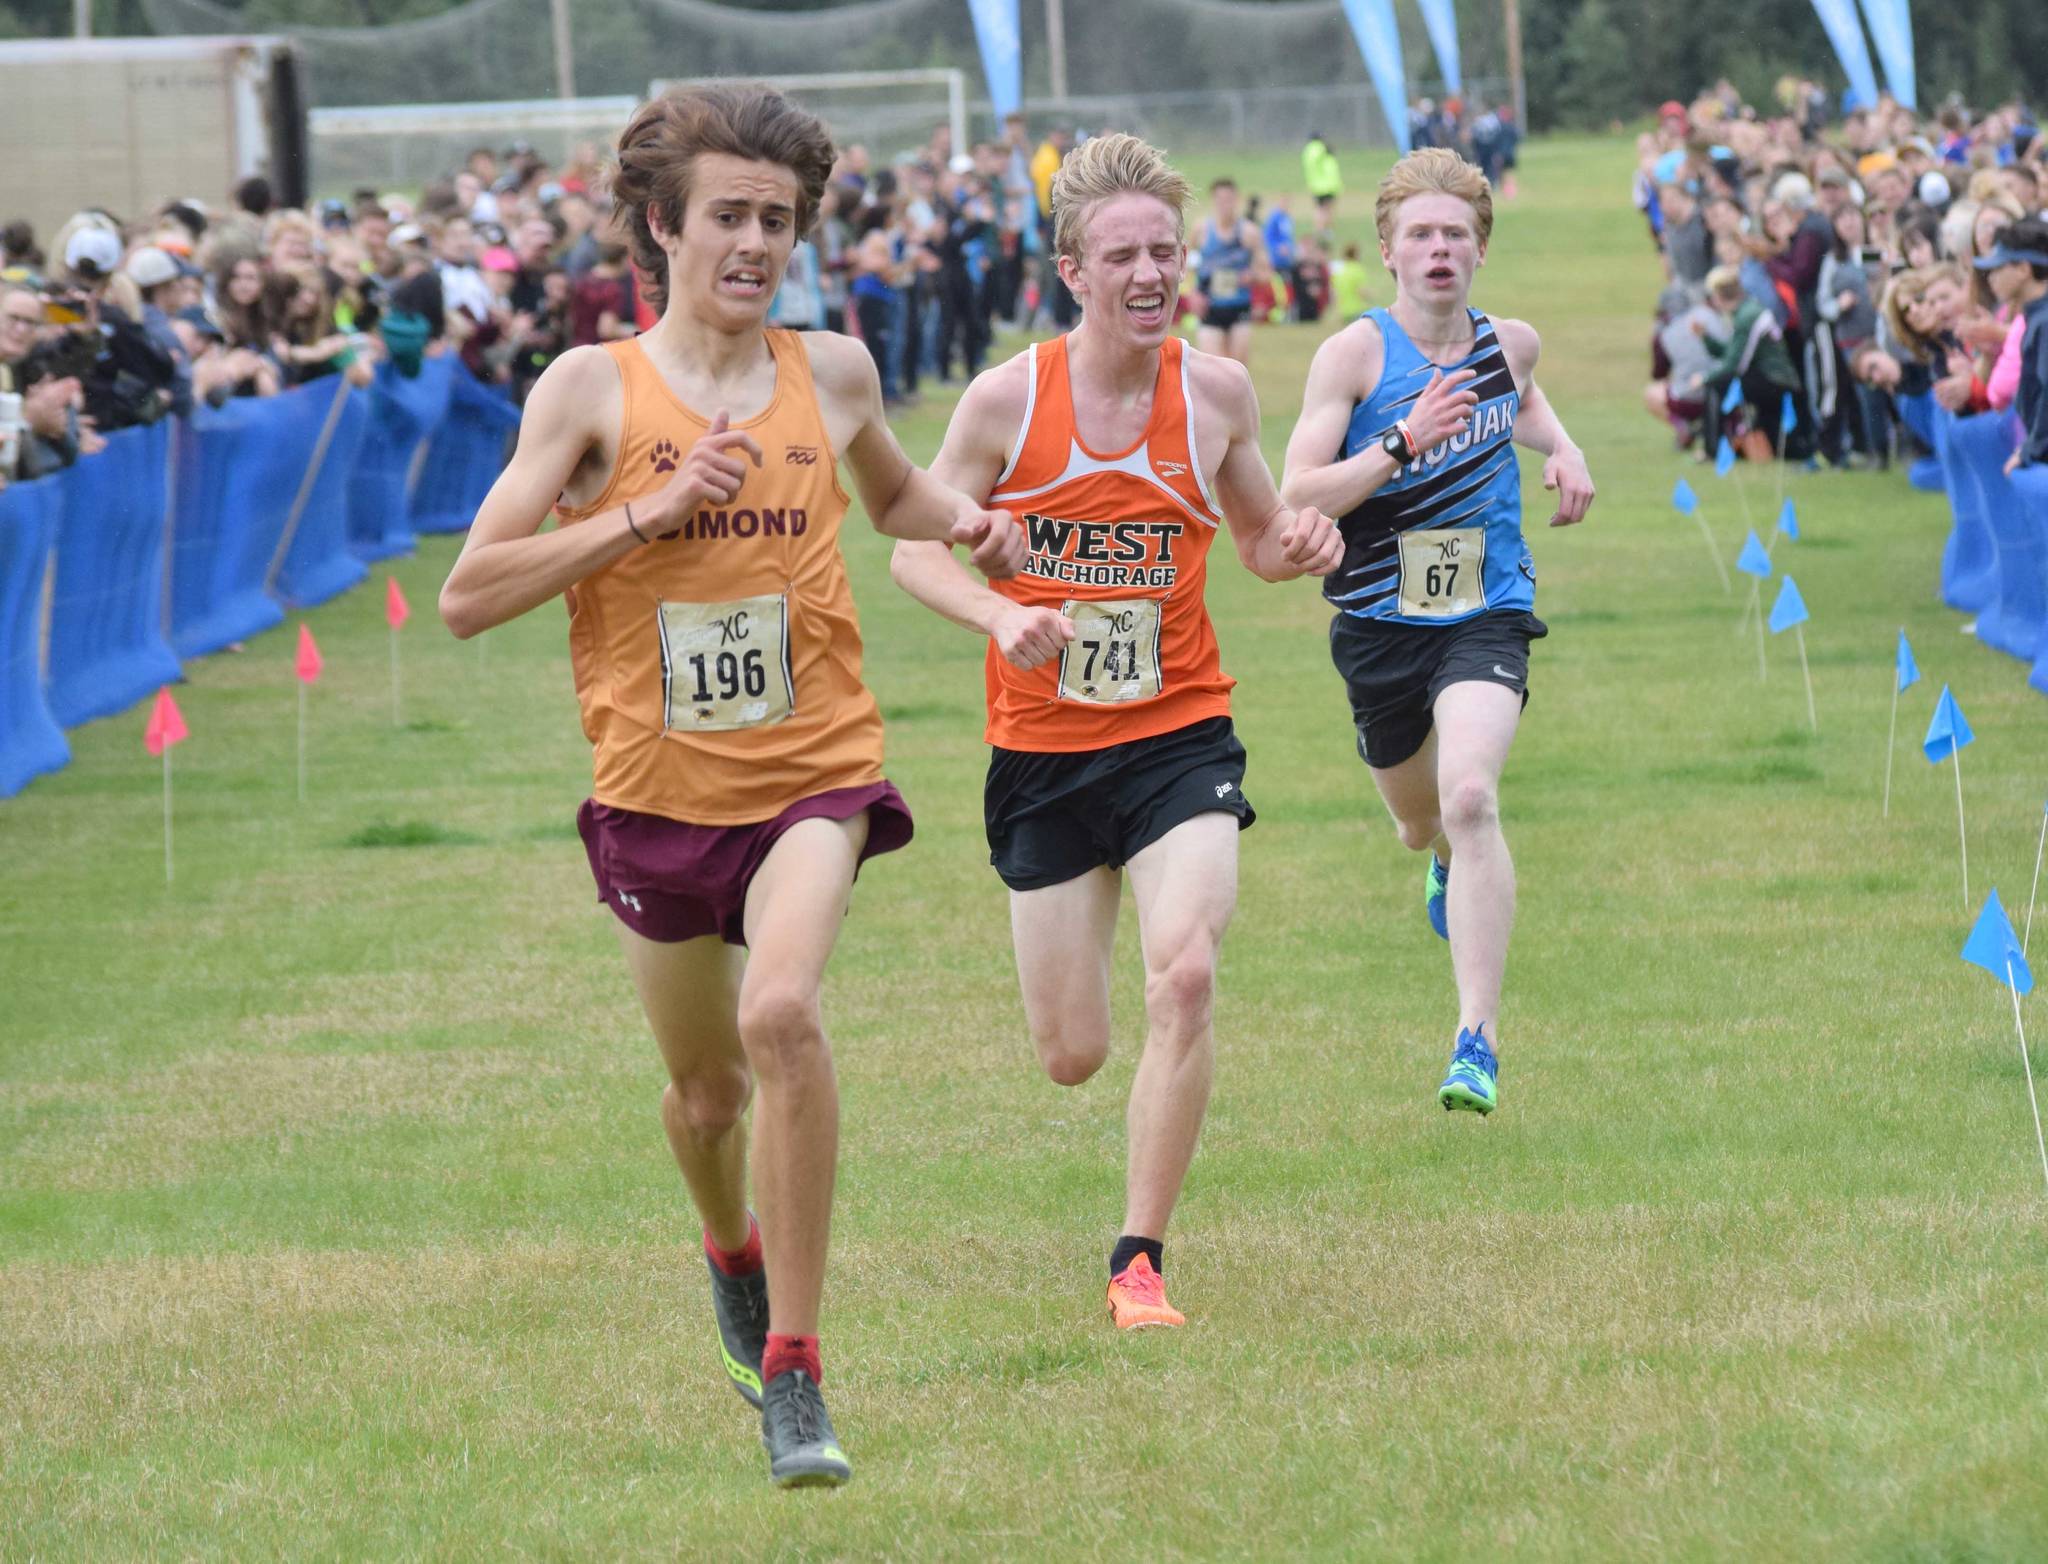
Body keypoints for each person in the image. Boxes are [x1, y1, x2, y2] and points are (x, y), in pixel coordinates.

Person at [436, 82, 1025, 1490]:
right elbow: (467, 596)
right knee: (704, 1097)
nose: (757, 242)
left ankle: (799, 1372)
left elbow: (889, 498)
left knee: (782, 1015)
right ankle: (731, 1255)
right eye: (730, 217)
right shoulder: (590, 391)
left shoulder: (832, 371)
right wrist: (647, 510)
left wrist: (982, 531)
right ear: (664, 225)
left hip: (814, 769)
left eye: (779, 218)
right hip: (654, 791)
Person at [888, 132, 1341, 1332]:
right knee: (1071, 1054)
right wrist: (998, 609)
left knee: (1184, 972)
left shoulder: (1216, 394)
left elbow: (1255, 541)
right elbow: (905, 548)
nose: (1150, 274)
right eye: (1122, 255)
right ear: (1071, 271)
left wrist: (1300, 544)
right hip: (1040, 752)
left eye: (1164, 251)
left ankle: (1137, 1259)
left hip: (1177, 733)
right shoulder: (1005, 401)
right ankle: (1109, 1151)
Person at [1280, 148, 1594, 1117]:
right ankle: (1439, 862)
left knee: (1468, 795)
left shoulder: (1511, 343)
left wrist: (1565, 446)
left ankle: (1475, 1038)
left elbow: (1524, 400)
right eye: (1419, 234)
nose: (1438, 249)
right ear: (1387, 249)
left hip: (1484, 610)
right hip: (1378, 621)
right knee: (1419, 819)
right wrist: (1401, 438)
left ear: (1480, 249)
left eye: (1455, 233)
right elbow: (1297, 489)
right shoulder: (1353, 358)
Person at [1192, 178, 1263, 366]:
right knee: (1213, 367)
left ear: (1236, 200)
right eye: (1220, 199)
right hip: (1210, 308)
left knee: (1237, 368)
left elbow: (1266, 271)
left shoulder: (1249, 232)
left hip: (1239, 308)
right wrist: (1194, 294)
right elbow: (1188, 264)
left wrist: (1252, 276)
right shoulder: (1201, 230)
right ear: (1213, 201)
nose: (1225, 204)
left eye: (1229, 199)